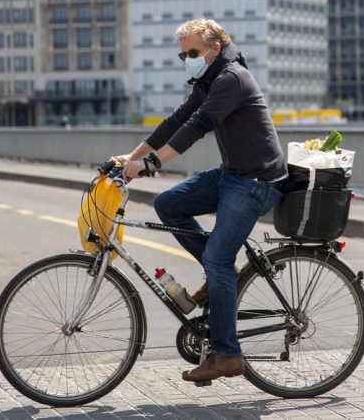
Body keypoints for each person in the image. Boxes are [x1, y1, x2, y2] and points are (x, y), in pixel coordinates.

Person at [118, 19, 287, 383]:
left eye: (192, 52)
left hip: (256, 181)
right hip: (233, 174)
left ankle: (227, 354)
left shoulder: (232, 79)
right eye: (182, 54)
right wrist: (129, 157)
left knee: (216, 259)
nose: (187, 59)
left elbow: (199, 125)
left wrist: (150, 163)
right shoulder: (209, 80)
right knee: (169, 204)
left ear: (214, 48)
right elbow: (177, 119)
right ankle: (224, 274)